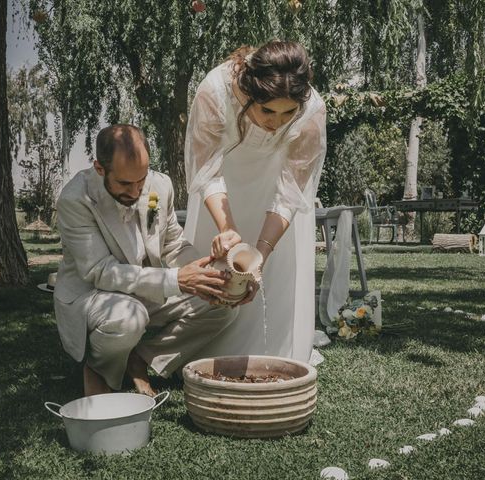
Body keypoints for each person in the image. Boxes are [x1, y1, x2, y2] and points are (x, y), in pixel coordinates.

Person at [54, 124, 238, 397]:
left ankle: (142, 358)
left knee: (222, 303)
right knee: (129, 318)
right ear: (99, 168)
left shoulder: (160, 186)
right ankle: (99, 368)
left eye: (141, 180)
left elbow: (174, 244)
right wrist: (176, 280)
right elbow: (101, 272)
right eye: (125, 184)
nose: (137, 191)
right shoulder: (75, 199)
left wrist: (206, 274)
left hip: (145, 289)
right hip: (92, 294)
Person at [184, 40, 327, 362]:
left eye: (288, 112)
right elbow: (207, 168)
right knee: (217, 273)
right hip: (221, 190)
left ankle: (274, 352)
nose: (276, 122)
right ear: (249, 92)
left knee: (273, 274)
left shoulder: (313, 110)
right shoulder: (214, 90)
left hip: (276, 190)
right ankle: (198, 349)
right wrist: (228, 230)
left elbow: (291, 190)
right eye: (266, 110)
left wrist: (259, 254)